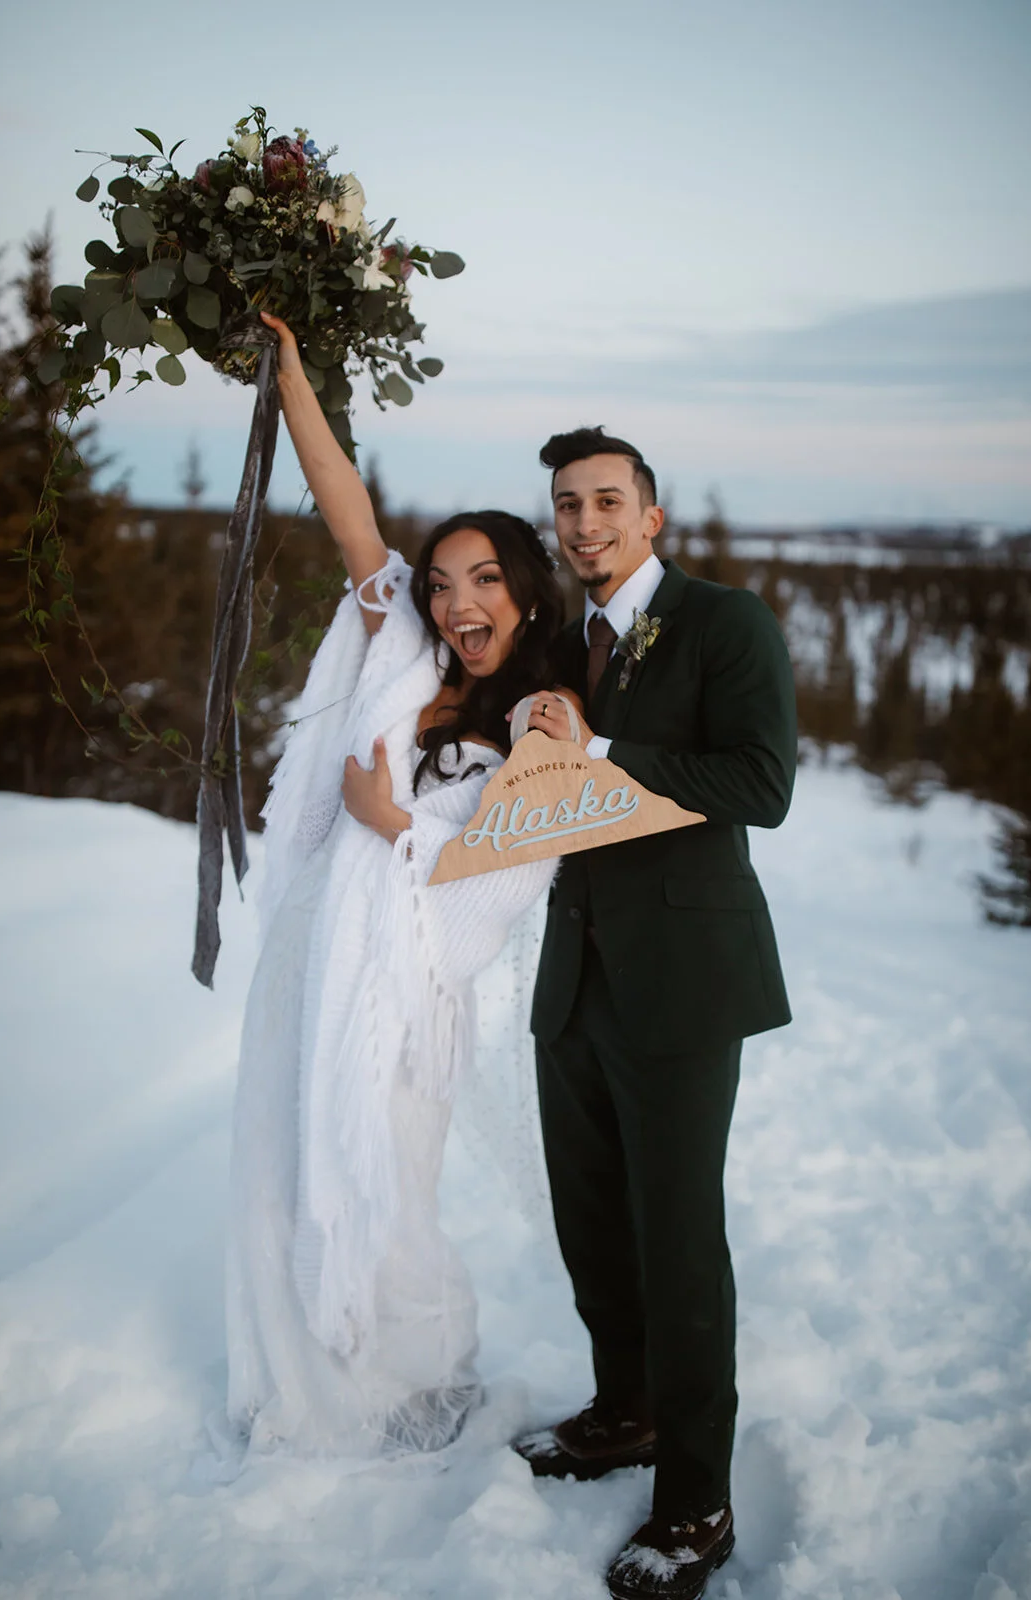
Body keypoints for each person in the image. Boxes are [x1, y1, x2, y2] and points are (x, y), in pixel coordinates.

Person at [224, 311, 569, 1459]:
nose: (454, 602)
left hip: (407, 996)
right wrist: (288, 371)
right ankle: (303, 1389)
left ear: (522, 593)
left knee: (388, 1198)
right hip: (314, 956)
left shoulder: (540, 725)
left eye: (483, 580)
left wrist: (396, 828)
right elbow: (346, 512)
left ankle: (414, 1394)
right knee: (277, 1176)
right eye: (439, 583)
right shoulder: (405, 657)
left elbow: (502, 883)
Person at [513, 427, 797, 1600]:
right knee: (591, 1224)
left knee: (677, 1243)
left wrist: (611, 748)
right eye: (567, 506)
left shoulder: (724, 622)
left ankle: (695, 1500)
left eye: (605, 502)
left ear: (651, 516)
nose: (583, 524)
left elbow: (759, 784)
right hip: (571, 976)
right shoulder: (556, 643)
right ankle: (623, 1412)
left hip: (681, 980)